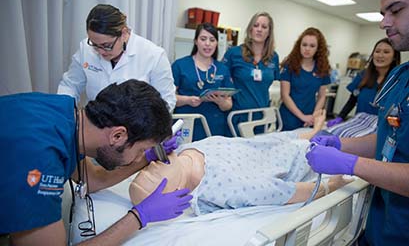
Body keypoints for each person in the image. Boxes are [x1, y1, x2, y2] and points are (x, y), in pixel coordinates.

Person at [0, 80, 192, 245]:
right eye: (141, 150)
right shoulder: (40, 157)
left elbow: (92, 179)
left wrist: (147, 158)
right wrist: (139, 217)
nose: (138, 157)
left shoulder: (66, 115)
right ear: (118, 135)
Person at [306, 0, 409, 245]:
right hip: (379, 226)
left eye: (396, 10)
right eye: (383, 13)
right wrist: (342, 143)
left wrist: (351, 164)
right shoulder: (401, 77)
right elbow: (391, 136)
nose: (384, 22)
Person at [129, 110, 352, 215]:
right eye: (151, 176)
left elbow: (252, 143)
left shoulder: (186, 149)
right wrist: (329, 186)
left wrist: (307, 133)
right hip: (301, 156)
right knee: (351, 135)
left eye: (144, 169)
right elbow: (279, 191)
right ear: (176, 191)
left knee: (323, 131)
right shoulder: (217, 188)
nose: (151, 165)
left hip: (280, 141)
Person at [57, 4, 176, 111]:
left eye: (106, 46)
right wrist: (64, 110)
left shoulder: (153, 55)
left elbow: (166, 102)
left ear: (123, 34)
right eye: (94, 44)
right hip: (96, 124)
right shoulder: (86, 50)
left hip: (134, 130)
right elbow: (70, 85)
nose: (100, 51)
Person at [172, 23, 234, 141]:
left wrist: (221, 102)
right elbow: (169, 98)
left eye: (212, 40)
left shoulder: (222, 69)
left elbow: (228, 105)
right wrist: (188, 100)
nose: (207, 44)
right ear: (196, 41)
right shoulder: (180, 65)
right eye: (203, 39)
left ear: (217, 43)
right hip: (187, 125)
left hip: (214, 127)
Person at [222, 12, 280, 135]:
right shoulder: (234, 53)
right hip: (237, 115)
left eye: (264, 27)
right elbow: (221, 80)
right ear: (250, 29)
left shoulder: (273, 57)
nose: (259, 30)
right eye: (256, 25)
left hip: (262, 116)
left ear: (269, 32)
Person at [327, 38, 400, 127]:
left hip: (381, 129)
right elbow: (352, 100)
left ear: (394, 57)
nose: (380, 55)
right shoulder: (363, 76)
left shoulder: (398, 81)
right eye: (377, 51)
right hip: (359, 125)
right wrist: (340, 117)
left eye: (386, 52)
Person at [279, 27, 331, 131]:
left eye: (312, 46)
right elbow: (285, 95)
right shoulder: (289, 66)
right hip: (289, 117)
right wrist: (302, 116)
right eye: (304, 45)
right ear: (299, 46)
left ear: (318, 48)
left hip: (310, 118)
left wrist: (313, 117)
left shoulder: (322, 68)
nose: (307, 49)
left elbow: (322, 96)